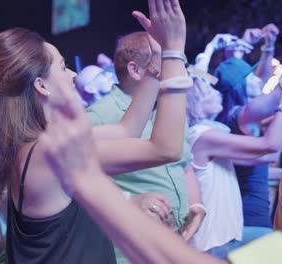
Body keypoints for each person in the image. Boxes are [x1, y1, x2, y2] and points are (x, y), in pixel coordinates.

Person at [0, 0, 190, 262]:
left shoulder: (37, 145)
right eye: (63, 66)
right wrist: (174, 52)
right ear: (41, 85)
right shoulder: (46, 155)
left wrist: (156, 61)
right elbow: (165, 148)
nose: (73, 74)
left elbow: (127, 129)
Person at [86, 30, 205, 263]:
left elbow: (185, 164)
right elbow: (79, 180)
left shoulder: (170, 107)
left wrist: (195, 204)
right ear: (135, 70)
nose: (176, 71)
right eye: (166, 63)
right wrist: (130, 199)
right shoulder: (99, 115)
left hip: (175, 243)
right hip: (129, 251)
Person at [186, 74, 282, 258]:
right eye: (208, 90)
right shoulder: (201, 135)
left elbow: (261, 157)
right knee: (280, 247)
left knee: (279, 246)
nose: (216, 92)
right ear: (195, 101)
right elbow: (270, 145)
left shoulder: (212, 131)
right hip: (213, 243)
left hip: (228, 237)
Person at [214, 23, 282, 240]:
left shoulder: (232, 117)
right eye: (249, 76)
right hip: (250, 224)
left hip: (247, 221)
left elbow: (260, 81)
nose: (257, 79)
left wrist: (268, 46)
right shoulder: (239, 117)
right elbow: (275, 97)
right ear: (239, 87)